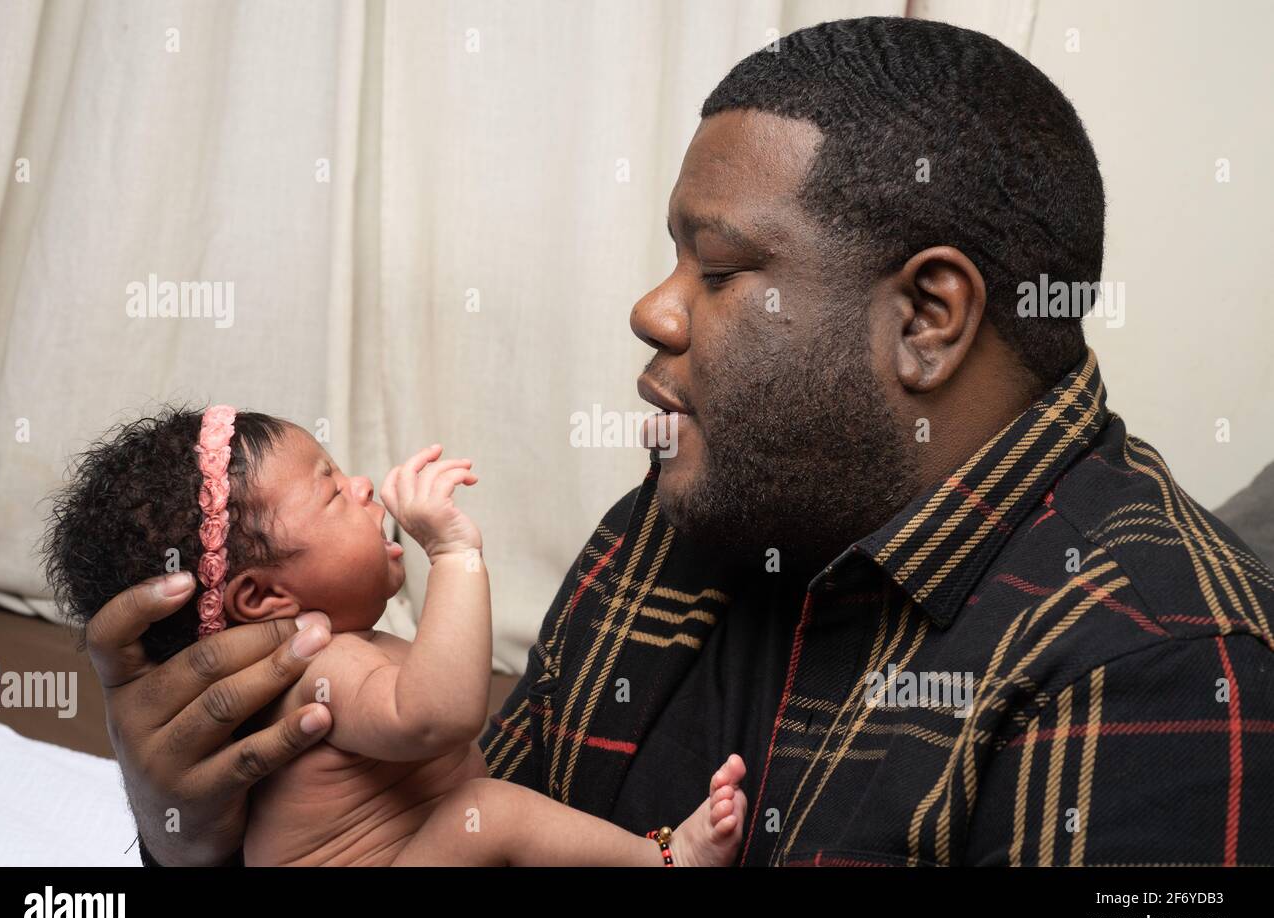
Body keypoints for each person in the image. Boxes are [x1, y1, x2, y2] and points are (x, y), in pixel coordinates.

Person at [91, 17, 1274, 867]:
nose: (653, 311)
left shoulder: (1163, 674)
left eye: (716, 269)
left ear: (925, 319)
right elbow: (451, 822)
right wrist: (194, 828)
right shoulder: (681, 515)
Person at [45, 404, 747, 865]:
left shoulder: (332, 656)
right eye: (329, 490)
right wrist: (452, 551)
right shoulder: (317, 668)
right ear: (261, 597)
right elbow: (438, 717)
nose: (363, 488)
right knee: (486, 809)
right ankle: (667, 859)